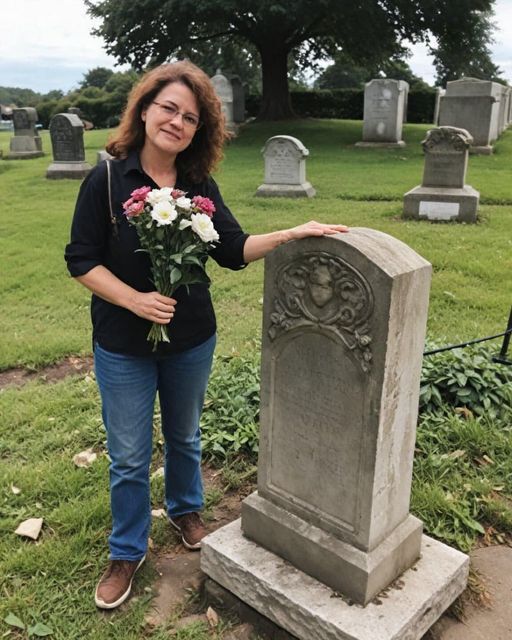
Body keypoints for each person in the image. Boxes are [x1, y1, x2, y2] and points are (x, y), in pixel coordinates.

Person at [64, 60, 347, 611]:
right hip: (123, 342)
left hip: (192, 337)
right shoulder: (106, 178)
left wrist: (294, 231)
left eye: (190, 117)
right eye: (168, 108)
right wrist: (135, 299)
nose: (177, 122)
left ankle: (186, 509)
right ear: (145, 109)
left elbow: (232, 249)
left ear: (199, 130)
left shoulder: (197, 184)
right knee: (127, 454)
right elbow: (80, 260)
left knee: (187, 436)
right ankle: (127, 550)